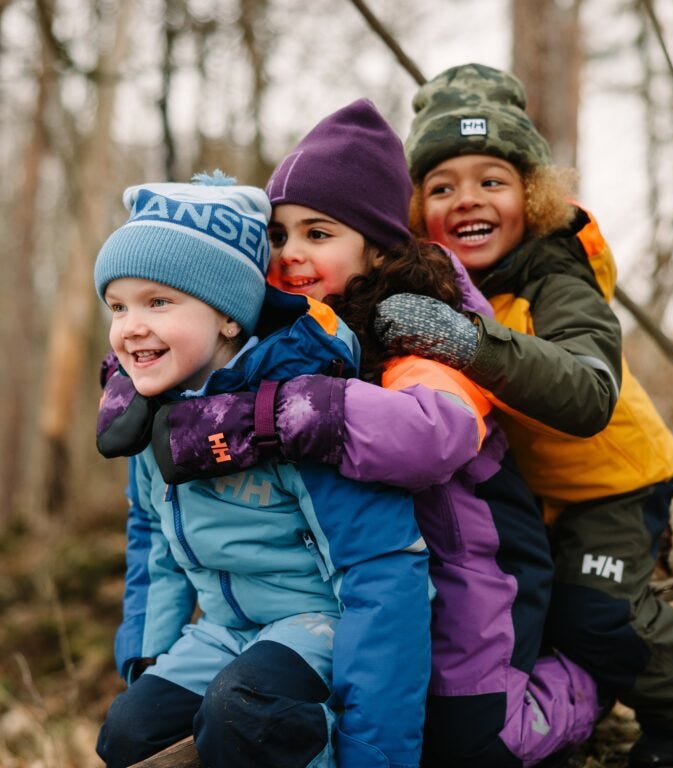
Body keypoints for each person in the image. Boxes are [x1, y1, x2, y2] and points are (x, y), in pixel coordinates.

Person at [100, 99, 602, 767]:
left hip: (476, 574)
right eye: (277, 237)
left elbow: (435, 433)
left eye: (319, 233)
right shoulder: (289, 338)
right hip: (362, 592)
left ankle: (582, 685)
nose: (292, 255)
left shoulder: (420, 332)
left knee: (473, 745)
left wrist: (286, 414)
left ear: (377, 244)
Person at [372, 62, 673, 768]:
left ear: (533, 195)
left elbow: (587, 393)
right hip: (532, 500)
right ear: (418, 209)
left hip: (615, 486)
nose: (467, 200)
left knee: (595, 610)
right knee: (521, 621)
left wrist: (465, 343)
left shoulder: (556, 274)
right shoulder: (445, 284)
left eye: (493, 181)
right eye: (442, 186)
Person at [92, 172, 432, 768]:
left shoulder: (295, 412)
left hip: (319, 624)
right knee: (129, 731)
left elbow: (384, 574)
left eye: (158, 301)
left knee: (242, 711)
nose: (130, 326)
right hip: (222, 630)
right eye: (117, 306)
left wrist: (376, 755)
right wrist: (148, 660)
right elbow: (152, 542)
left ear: (227, 316)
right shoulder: (148, 416)